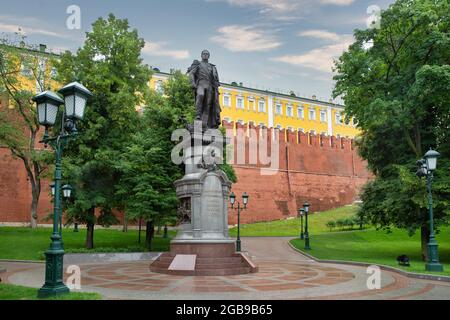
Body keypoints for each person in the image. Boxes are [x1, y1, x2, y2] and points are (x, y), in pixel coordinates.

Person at [187, 50, 221, 129]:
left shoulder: (212, 67)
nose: (205, 55)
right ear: (201, 55)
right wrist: (193, 83)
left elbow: (216, 79)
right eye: (204, 54)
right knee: (200, 95)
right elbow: (191, 73)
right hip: (200, 84)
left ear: (209, 56)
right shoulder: (198, 64)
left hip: (209, 86)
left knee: (208, 104)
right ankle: (198, 115)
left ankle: (205, 122)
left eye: (207, 54)